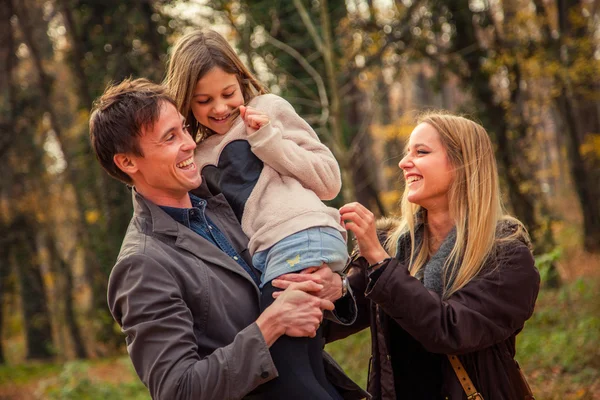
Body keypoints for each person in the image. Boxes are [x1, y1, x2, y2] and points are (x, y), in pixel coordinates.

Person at [88, 78, 367, 400]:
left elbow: (301, 325)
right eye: (169, 138)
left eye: (182, 129)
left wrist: (335, 288)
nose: (190, 143)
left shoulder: (227, 209)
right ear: (127, 162)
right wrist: (271, 324)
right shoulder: (143, 265)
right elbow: (179, 390)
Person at [164, 29, 351, 399]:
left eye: (228, 93)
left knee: (285, 372)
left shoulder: (270, 109)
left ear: (242, 79)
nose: (219, 108)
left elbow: (329, 182)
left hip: (300, 237)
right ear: (186, 100)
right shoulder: (197, 156)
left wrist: (267, 142)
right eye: (204, 100)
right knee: (310, 370)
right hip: (272, 254)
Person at [331, 111, 540, 399]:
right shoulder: (393, 247)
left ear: (463, 164)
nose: (404, 163)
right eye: (407, 153)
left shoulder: (507, 257)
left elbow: (451, 330)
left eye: (421, 152)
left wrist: (379, 262)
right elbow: (334, 320)